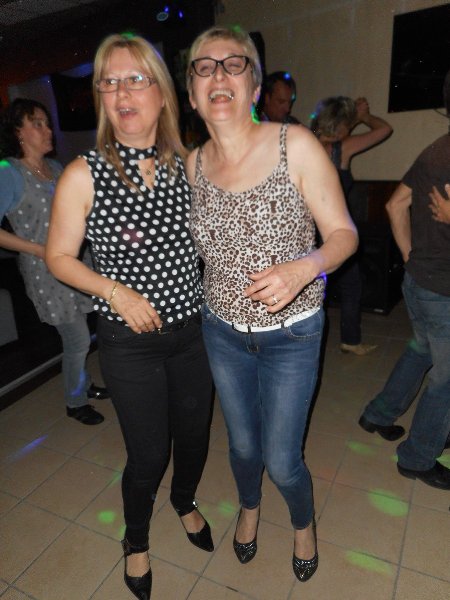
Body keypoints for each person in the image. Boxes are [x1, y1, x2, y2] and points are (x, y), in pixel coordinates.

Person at [185, 26, 358, 582]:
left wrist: (305, 267)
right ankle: (249, 507)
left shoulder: (295, 145)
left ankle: (303, 523)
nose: (218, 74)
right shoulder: (193, 165)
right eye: (204, 66)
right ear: (192, 94)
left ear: (254, 86)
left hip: (292, 334)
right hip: (221, 331)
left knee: (283, 460)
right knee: (241, 446)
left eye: (233, 64)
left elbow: (344, 234)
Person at [46, 34, 214, 599]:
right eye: (110, 81)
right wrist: (115, 292)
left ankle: (185, 502)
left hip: (192, 335)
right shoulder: (84, 173)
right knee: (148, 454)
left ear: (162, 93)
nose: (122, 92)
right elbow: (59, 257)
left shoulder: (189, 166)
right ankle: (135, 540)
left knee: (194, 438)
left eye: (136, 79)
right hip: (128, 343)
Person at [358, 70, 450, 490]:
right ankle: (417, 457)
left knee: (420, 352)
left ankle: (378, 415)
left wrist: (413, 258)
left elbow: (396, 205)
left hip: (420, 283)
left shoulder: (435, 150)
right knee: (446, 379)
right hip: (442, 290)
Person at [0, 98, 107, 425]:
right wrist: (37, 249)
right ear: (18, 131)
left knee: (82, 331)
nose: (48, 130)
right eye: (37, 124)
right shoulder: (8, 172)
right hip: (45, 271)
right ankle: (75, 402)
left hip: (77, 263)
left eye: (47, 123)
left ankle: (83, 384)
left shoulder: (57, 169)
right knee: (76, 339)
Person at [311, 96, 393, 355]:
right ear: (342, 125)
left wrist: (352, 121)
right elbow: (384, 129)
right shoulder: (341, 148)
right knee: (350, 285)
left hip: (306, 232)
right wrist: (362, 118)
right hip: (334, 231)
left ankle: (309, 343)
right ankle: (350, 340)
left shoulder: (305, 143)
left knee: (315, 289)